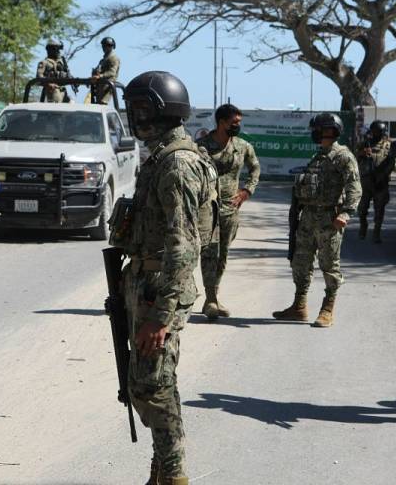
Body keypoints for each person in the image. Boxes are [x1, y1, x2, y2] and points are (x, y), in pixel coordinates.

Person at [120, 71, 216, 485]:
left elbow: (184, 246)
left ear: (164, 111)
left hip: (161, 290)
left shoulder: (176, 164)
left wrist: (161, 315)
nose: (135, 118)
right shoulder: (162, 156)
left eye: (142, 109)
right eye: (133, 109)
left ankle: (174, 476)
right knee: (146, 383)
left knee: (153, 387)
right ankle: (162, 471)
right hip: (146, 284)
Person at [273, 113, 361, 327]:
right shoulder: (319, 156)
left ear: (329, 130)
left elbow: (354, 187)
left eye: (318, 129)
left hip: (329, 219)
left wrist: (346, 213)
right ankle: (299, 306)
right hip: (308, 218)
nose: (315, 133)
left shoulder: (342, 156)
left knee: (330, 265)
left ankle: (328, 309)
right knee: (300, 263)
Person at [196, 104, 261, 319]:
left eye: (239, 122)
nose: (238, 126)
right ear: (221, 122)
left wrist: (246, 191)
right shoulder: (201, 146)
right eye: (234, 122)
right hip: (206, 208)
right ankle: (210, 298)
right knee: (208, 253)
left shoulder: (242, 147)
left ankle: (213, 297)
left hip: (230, 209)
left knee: (222, 253)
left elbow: (255, 168)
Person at [356, 120, 393, 243]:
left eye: (380, 132)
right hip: (366, 181)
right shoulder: (365, 144)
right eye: (375, 131)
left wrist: (383, 175)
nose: (377, 134)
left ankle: (376, 233)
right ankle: (363, 225)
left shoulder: (388, 145)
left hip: (380, 181)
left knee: (379, 209)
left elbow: (391, 163)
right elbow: (354, 158)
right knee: (362, 209)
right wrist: (361, 153)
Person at [90, 37, 120, 104]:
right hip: (100, 85)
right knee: (97, 105)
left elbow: (112, 72)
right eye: (104, 45)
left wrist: (100, 76)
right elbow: (99, 70)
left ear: (112, 46)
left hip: (107, 86)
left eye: (107, 45)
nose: (104, 47)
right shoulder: (103, 59)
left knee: (102, 104)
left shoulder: (113, 58)